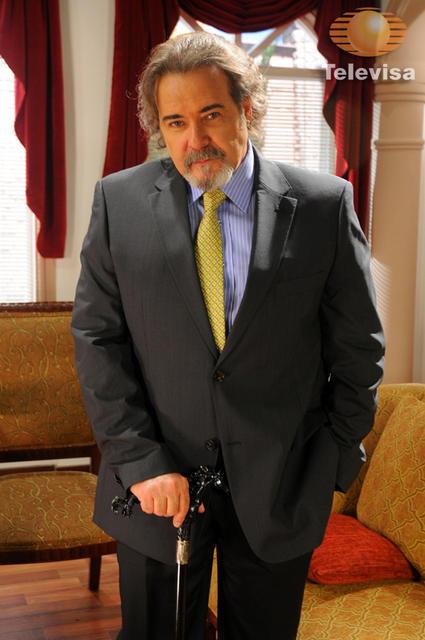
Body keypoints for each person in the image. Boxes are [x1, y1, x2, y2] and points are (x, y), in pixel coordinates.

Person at [71, 31, 385, 640]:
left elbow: (359, 348)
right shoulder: (119, 202)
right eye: (176, 122)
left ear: (248, 108)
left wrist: (332, 460)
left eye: (211, 114)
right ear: (159, 128)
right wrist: (138, 460)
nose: (195, 139)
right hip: (156, 487)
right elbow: (97, 338)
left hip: (281, 486)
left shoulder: (323, 205)